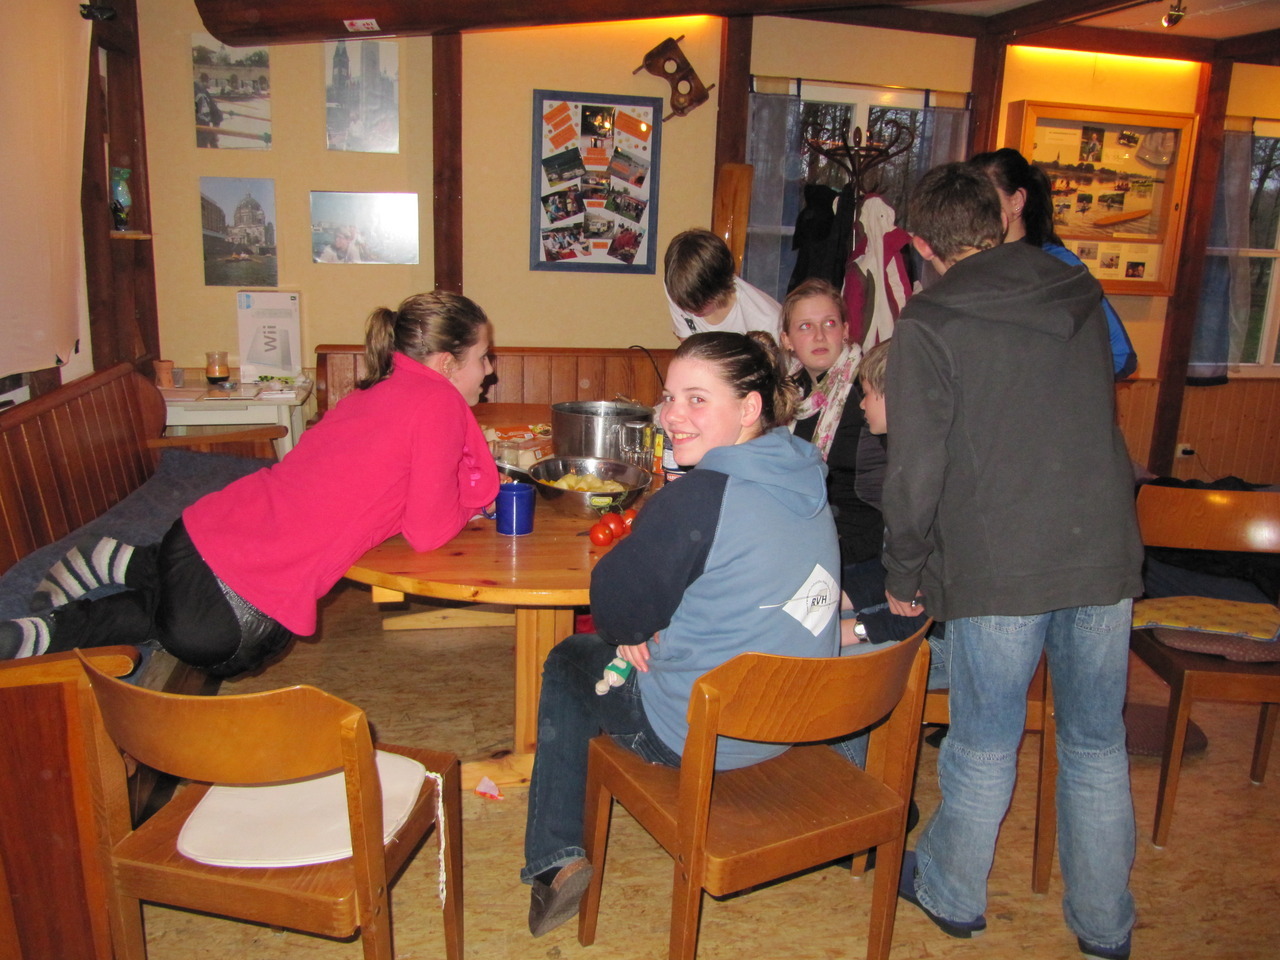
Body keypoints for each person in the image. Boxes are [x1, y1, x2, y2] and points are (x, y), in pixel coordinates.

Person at [882, 162, 1142, 960]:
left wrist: (903, 573)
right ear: (999, 219)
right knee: (1097, 745)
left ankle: (953, 891)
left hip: (1001, 563)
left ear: (923, 245)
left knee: (984, 742)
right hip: (1100, 549)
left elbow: (915, 471)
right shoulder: (1079, 290)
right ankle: (1105, 926)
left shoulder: (930, 320)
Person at [521, 330, 840, 937]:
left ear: (749, 407)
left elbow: (614, 616)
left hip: (705, 734)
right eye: (669, 397)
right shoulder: (804, 473)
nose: (671, 416)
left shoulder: (697, 499)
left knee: (572, 657)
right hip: (793, 720)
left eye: (697, 399)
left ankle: (554, 860)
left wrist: (635, 620)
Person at [1, 292, 500, 675]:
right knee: (226, 646)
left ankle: (70, 608)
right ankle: (110, 571)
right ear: (446, 363)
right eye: (484, 356)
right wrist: (471, 507)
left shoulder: (379, 390)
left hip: (200, 535)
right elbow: (427, 532)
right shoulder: (437, 403)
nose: (490, 369)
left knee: (178, 613)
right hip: (229, 591)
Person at [778, 279, 904, 648]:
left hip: (860, 559)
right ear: (787, 339)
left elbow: (897, 510)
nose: (819, 335)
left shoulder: (872, 396)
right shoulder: (788, 394)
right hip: (807, 546)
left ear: (846, 330)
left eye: (829, 323)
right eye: (805, 326)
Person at [970, 148, 1137, 379]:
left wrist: (1047, 382)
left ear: (1016, 201)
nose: (973, 211)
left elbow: (1121, 356)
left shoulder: (1058, 263)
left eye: (984, 200)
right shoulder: (974, 262)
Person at [664, 228, 781, 340]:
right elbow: (688, 342)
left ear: (720, 287)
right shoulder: (679, 289)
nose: (691, 311)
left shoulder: (767, 323)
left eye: (699, 305)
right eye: (685, 306)